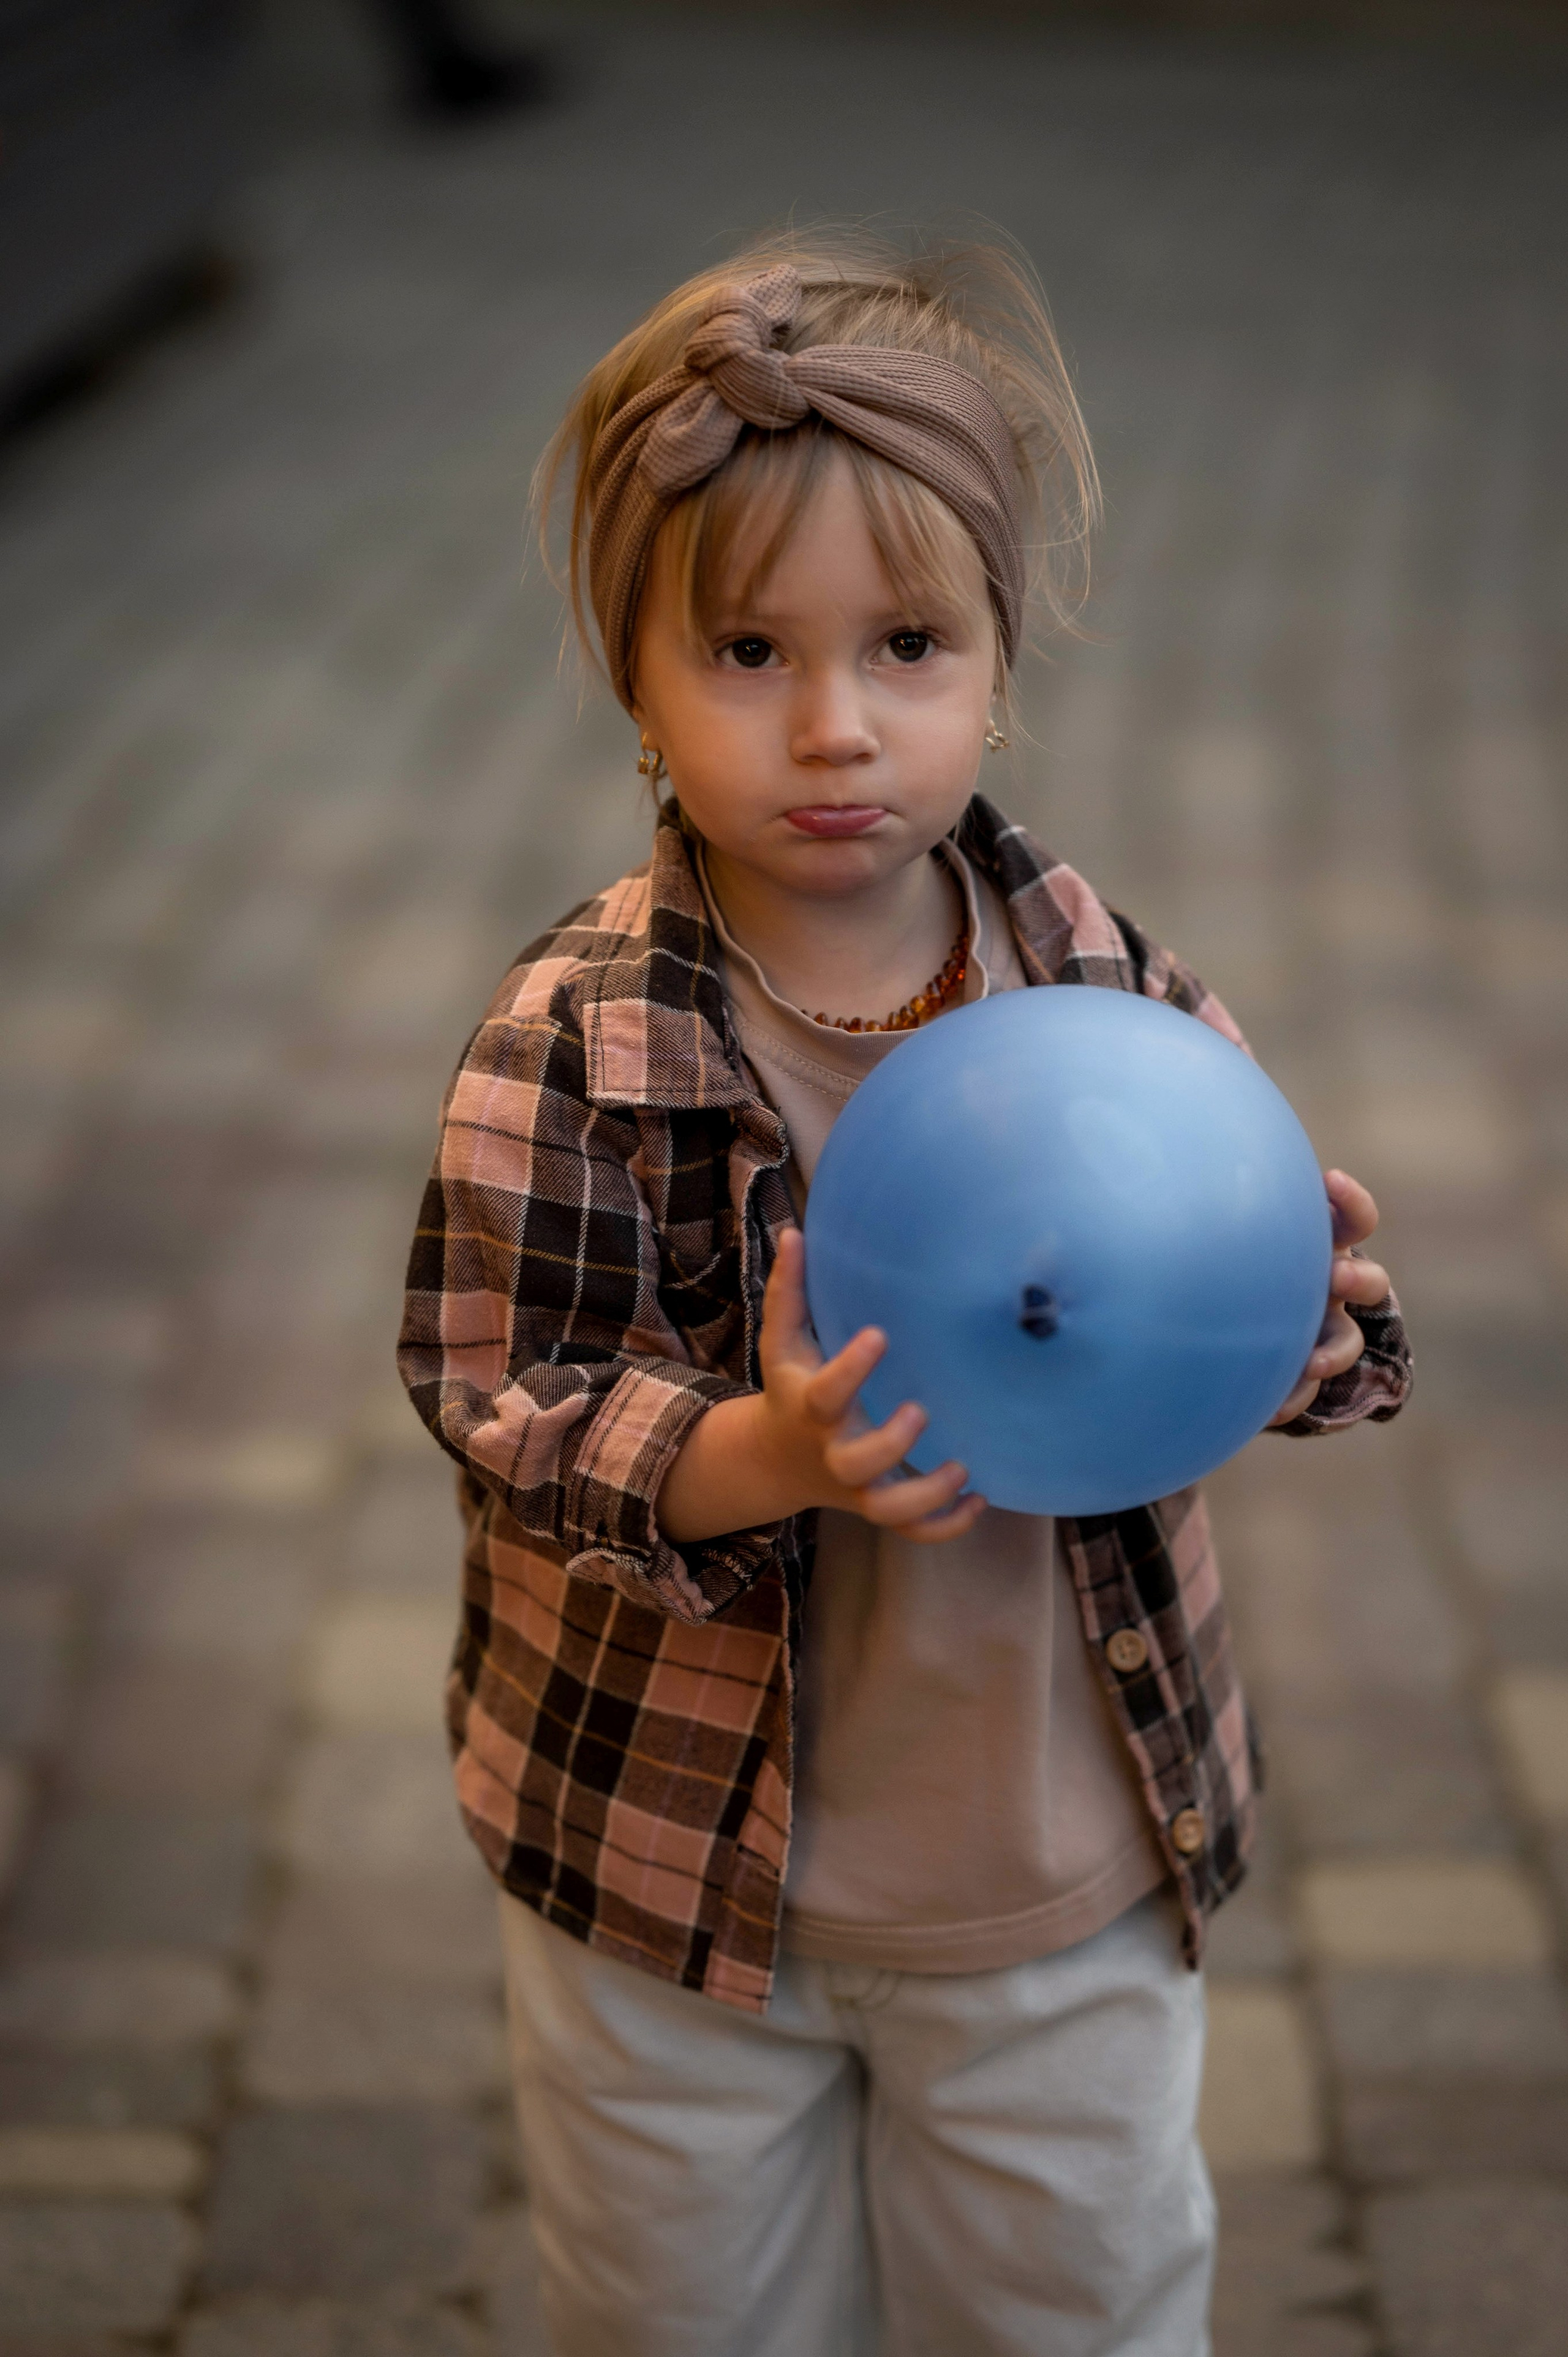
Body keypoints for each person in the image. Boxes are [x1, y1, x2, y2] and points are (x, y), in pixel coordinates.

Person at [398, 231, 1411, 2357]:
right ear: (637, 685)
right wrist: (755, 1450)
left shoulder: (1100, 986)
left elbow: (1241, 1297)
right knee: (688, 2324)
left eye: (911, 645)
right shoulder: (577, 1029)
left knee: (1082, 2310)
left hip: (1054, 1866)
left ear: (997, 665)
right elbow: (496, 1391)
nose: (838, 725)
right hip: (671, 1886)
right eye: (751, 651)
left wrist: (1309, 1329)